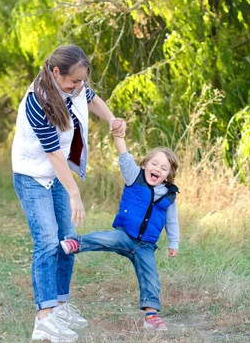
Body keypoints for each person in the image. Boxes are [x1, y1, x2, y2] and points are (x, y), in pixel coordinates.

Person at [11, 45, 125, 343]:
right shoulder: (38, 101)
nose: (78, 87)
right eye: (73, 81)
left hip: (57, 173)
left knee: (69, 240)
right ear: (55, 71)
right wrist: (75, 193)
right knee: (48, 241)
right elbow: (54, 156)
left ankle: (60, 307)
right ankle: (44, 319)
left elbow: (92, 99)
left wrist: (111, 119)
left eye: (81, 81)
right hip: (33, 175)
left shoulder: (75, 86)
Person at [60, 118, 180, 331]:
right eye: (153, 164)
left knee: (151, 277)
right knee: (105, 238)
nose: (157, 169)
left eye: (163, 168)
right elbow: (124, 158)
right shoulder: (135, 177)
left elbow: (172, 221)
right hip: (125, 235)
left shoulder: (169, 195)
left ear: (168, 175)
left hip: (146, 246)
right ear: (144, 165)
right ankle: (76, 243)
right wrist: (119, 137)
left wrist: (174, 243)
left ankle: (150, 316)